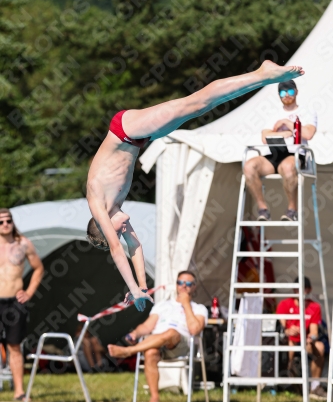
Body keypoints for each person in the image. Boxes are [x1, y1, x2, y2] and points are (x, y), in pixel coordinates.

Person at [86, 61, 304, 310]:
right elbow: (134, 247)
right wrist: (143, 288)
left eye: (118, 230)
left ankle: (263, 74)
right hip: (138, 139)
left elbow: (117, 250)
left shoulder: (97, 201)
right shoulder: (114, 210)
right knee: (202, 106)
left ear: (103, 226)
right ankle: (262, 78)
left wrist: (133, 290)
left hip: (125, 130)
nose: (125, 227)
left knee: (198, 102)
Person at [108, 270, 208, 402]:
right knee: (150, 353)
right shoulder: (162, 305)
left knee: (171, 332)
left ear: (194, 287)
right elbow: (148, 326)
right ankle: (154, 399)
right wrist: (135, 334)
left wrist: (186, 304)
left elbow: (195, 330)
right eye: (180, 282)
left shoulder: (199, 308)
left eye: (188, 283)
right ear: (176, 285)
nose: (184, 286)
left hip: (180, 344)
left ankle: (129, 351)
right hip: (157, 342)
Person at [243, 79, 317, 221]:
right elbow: (265, 137)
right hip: (275, 153)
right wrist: (285, 133)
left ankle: (292, 209)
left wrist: (287, 123)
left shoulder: (307, 112)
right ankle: (263, 209)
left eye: (290, 91)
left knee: (288, 166)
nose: (287, 95)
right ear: (279, 95)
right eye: (283, 92)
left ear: (296, 92)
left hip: (296, 154)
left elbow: (308, 134)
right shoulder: (273, 114)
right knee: (249, 166)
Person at [0, 208, 44, 400]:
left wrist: (29, 292)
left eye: (8, 221)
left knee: (14, 346)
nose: (5, 225)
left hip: (14, 303)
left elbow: (38, 269)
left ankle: (19, 391)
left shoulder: (23, 244)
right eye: (0, 222)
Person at [276, 276, 327, 400]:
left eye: (302, 289)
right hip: (289, 343)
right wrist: (288, 330)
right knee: (289, 344)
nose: (299, 292)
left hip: (304, 343)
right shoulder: (284, 305)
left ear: (309, 290)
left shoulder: (314, 307)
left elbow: (314, 331)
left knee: (320, 347)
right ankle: (287, 380)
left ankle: (315, 386)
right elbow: (280, 327)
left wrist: (311, 337)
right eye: (296, 289)